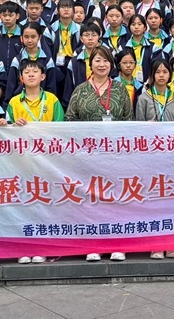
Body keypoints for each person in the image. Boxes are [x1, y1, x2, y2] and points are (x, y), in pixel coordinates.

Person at [65, 46, 132, 262]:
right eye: (97, 60)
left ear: (111, 65)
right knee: (91, 201)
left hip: (115, 156)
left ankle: (117, 244)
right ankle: (93, 244)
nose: (101, 65)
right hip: (88, 157)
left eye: (105, 61)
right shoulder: (80, 90)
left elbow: (129, 121)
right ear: (90, 64)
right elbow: (69, 121)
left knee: (115, 200)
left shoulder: (120, 89)